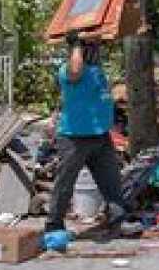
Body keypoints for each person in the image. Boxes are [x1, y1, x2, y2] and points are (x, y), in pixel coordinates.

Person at [45, 32, 136, 235]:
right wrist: (77, 43)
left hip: (100, 135)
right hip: (74, 137)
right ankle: (53, 225)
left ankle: (117, 221)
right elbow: (76, 70)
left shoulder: (96, 70)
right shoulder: (68, 71)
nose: (96, 52)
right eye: (90, 49)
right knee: (65, 185)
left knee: (111, 183)